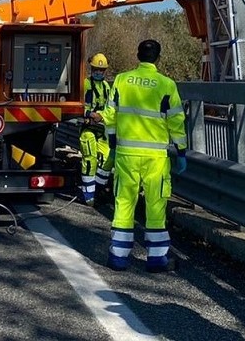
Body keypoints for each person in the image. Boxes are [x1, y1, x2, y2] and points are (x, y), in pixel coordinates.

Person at [104, 39, 187, 272]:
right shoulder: (166, 84)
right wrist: (181, 152)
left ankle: (118, 256)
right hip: (155, 157)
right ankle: (157, 258)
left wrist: (112, 143)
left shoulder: (121, 80)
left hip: (126, 153)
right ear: (158, 58)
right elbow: (177, 121)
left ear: (137, 55)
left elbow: (110, 115)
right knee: (156, 204)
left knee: (124, 202)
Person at [79, 52, 113, 204]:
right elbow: (77, 105)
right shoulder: (85, 84)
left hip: (102, 128)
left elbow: (110, 107)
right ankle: (88, 196)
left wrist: (103, 117)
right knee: (90, 159)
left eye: (102, 70)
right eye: (96, 70)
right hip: (88, 128)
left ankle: (98, 188)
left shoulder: (107, 86)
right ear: (91, 69)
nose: (99, 73)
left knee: (107, 160)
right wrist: (89, 114)